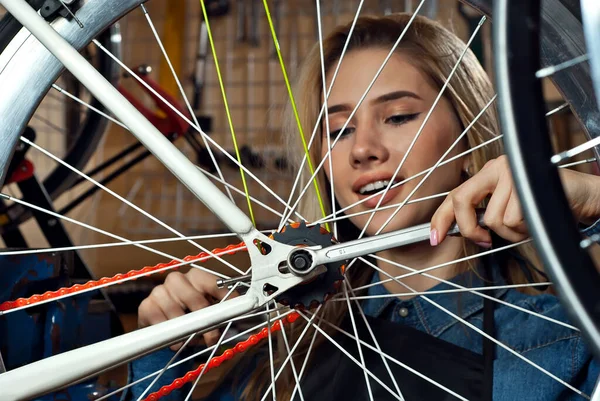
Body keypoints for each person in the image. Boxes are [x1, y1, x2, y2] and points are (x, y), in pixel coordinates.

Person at [126, 13, 600, 401]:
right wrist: (163, 348)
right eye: (338, 131)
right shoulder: (285, 349)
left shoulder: (565, 338)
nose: (362, 150)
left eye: (397, 116)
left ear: (468, 135)